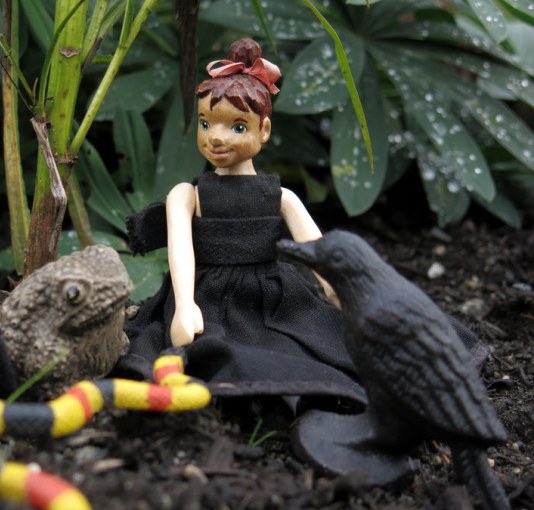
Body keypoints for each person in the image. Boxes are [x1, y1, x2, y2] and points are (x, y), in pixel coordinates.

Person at [116, 38, 485, 413]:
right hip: (208, 295)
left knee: (315, 341)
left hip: (271, 293)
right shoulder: (187, 194)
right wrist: (184, 305)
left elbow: (318, 251)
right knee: (214, 349)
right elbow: (181, 250)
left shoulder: (281, 196)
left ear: (264, 131)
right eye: (206, 123)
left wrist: (341, 293)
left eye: (238, 127)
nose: (215, 137)